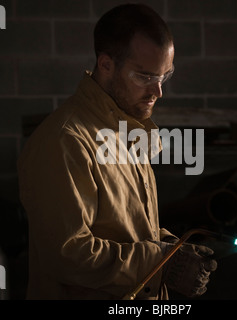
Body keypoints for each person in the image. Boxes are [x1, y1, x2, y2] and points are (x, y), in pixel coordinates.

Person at [17, 4, 217, 300]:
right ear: (106, 65)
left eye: (164, 76)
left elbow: (130, 230)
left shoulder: (127, 130)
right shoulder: (65, 141)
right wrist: (159, 263)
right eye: (144, 77)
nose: (157, 91)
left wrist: (172, 250)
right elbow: (68, 255)